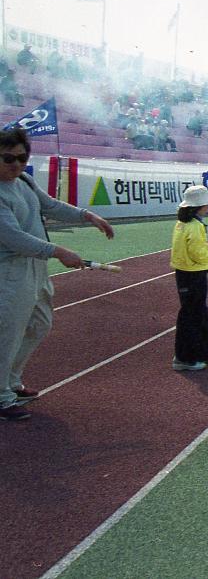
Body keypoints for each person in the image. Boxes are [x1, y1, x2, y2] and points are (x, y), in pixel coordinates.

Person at [0, 127, 115, 421]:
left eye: (22, 158)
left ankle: (12, 381)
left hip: (35, 268)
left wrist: (87, 216)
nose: (16, 164)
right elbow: (12, 237)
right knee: (8, 333)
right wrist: (58, 251)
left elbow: (50, 205)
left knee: (39, 324)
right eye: (7, 158)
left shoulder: (24, 180)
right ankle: (1, 397)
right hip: (10, 270)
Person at [170, 185, 208, 371]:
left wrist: (204, 251)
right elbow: (197, 252)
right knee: (191, 315)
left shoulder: (182, 223)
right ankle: (184, 358)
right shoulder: (195, 225)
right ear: (199, 206)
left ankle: (203, 351)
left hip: (185, 271)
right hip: (193, 273)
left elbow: (189, 247)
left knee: (198, 312)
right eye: (206, 203)